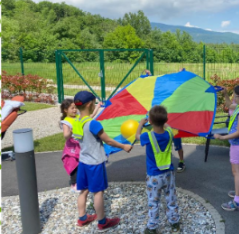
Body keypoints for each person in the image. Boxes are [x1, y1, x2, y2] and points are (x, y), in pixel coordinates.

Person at [72, 91, 132, 231]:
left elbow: (88, 119)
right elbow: (108, 140)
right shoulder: (94, 124)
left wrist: (98, 109)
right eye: (94, 103)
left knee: (83, 191)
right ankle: (102, 222)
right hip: (95, 163)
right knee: (98, 192)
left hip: (83, 162)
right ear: (89, 104)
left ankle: (82, 218)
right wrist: (124, 146)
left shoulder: (77, 121)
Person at [135, 105, 180, 234]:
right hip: (169, 174)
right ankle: (174, 223)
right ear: (166, 120)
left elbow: (137, 136)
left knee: (153, 202)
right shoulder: (170, 133)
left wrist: (140, 124)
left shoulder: (148, 136)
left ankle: (153, 227)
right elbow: (167, 127)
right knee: (171, 199)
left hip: (154, 175)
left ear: (150, 120)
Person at [214, 84, 239, 211]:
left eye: (234, 96)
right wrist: (225, 94)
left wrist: (222, 137)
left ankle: (237, 201)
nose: (233, 98)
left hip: (238, 145)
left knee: (236, 171)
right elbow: (228, 105)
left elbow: (238, 132)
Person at [144, 68, 186, 173]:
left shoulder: (175, 93)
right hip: (162, 123)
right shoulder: (161, 94)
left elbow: (180, 86)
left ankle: (181, 161)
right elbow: (156, 86)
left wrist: (182, 75)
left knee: (177, 144)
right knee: (160, 142)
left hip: (173, 124)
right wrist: (150, 76)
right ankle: (160, 162)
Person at [59, 98, 102, 193]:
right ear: (65, 110)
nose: (75, 110)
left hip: (81, 145)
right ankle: (74, 184)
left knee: (82, 163)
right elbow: (66, 136)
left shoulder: (78, 117)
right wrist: (70, 132)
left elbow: (90, 116)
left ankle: (82, 181)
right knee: (74, 165)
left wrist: (97, 107)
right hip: (72, 148)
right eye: (72, 108)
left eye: (75, 108)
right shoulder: (66, 122)